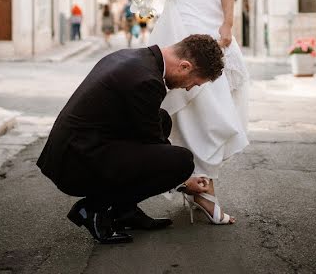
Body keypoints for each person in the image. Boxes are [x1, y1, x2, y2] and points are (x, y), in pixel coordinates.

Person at [36, 34, 225, 244]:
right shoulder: (147, 80)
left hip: (74, 149)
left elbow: (149, 133)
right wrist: (184, 181)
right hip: (75, 165)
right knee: (181, 162)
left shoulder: (133, 58)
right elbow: (154, 147)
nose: (189, 88)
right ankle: (93, 209)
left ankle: (124, 212)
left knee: (161, 120)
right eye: (194, 82)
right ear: (184, 66)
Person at [150, 0, 249, 225]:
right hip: (182, 16)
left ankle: (201, 184)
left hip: (212, 18)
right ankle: (200, 189)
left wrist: (228, 21)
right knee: (194, 102)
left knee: (217, 101)